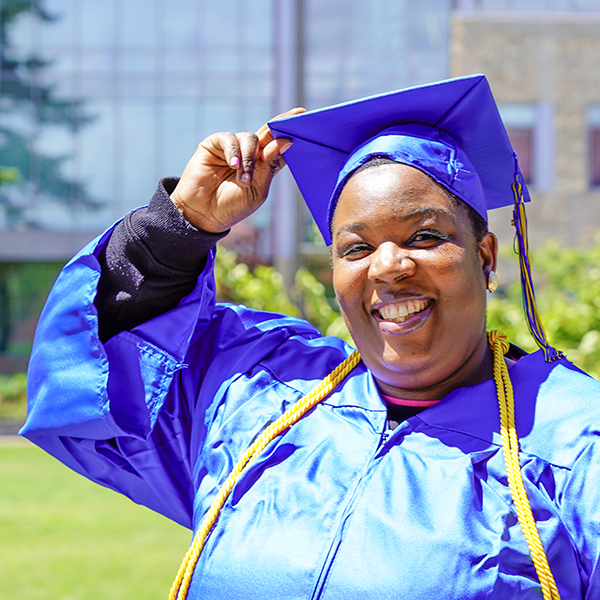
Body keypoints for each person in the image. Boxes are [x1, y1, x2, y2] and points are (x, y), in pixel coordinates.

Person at [22, 74, 600, 599]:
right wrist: (180, 227)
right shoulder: (258, 393)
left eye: (424, 236)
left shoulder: (574, 439)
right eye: (356, 247)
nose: (388, 266)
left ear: (485, 255)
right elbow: (92, 390)